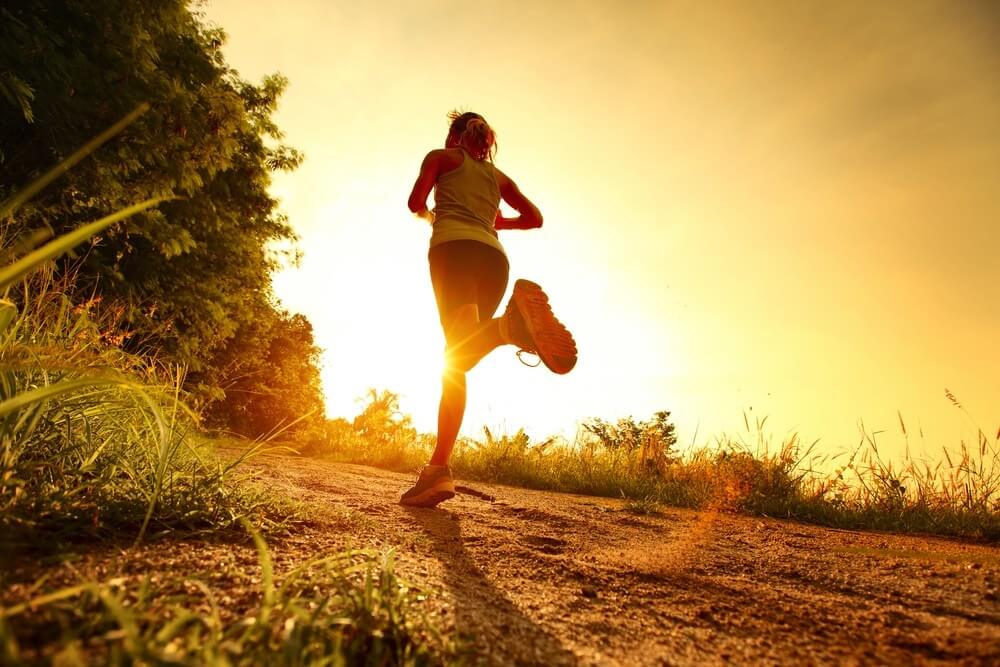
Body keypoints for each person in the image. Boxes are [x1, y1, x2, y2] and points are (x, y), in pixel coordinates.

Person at [400, 110, 577, 508]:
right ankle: (438, 470)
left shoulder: (441, 158)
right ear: (485, 139)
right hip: (494, 260)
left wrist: (433, 216)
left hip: (454, 251)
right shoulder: (498, 178)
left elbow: (415, 202)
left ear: (453, 135)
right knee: (458, 358)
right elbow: (535, 218)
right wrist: (498, 222)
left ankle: (507, 328)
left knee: (456, 356)